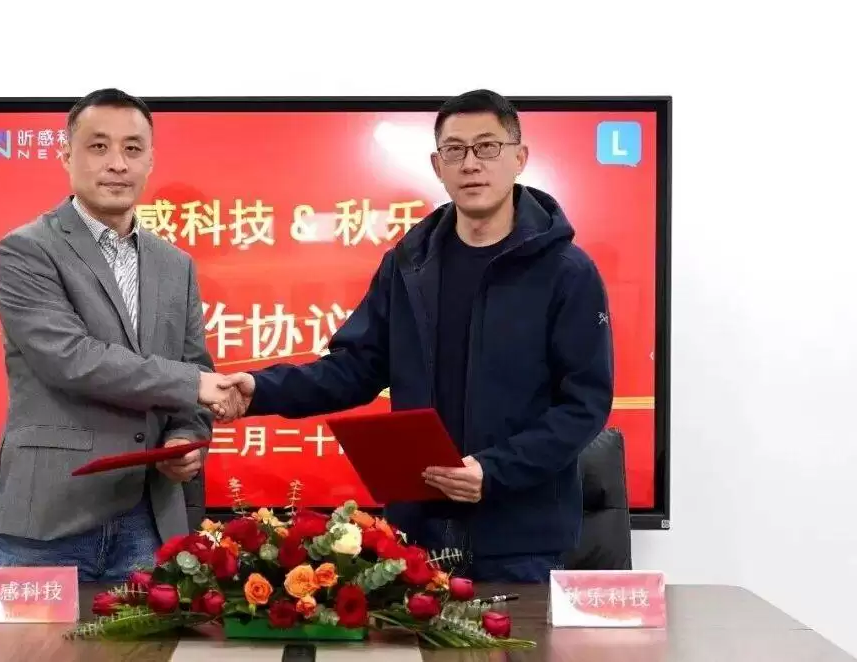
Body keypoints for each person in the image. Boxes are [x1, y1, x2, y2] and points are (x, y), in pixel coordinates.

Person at [216, 89, 615, 583]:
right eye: (455, 150)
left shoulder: (566, 272)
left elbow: (584, 405)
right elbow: (355, 368)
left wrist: (495, 470)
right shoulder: (410, 264)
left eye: (487, 147)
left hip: (521, 540)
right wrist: (261, 389)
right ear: (437, 165)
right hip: (416, 534)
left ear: (519, 158)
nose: (471, 163)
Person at [0, 88, 234, 581]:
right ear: (66, 155)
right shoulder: (25, 250)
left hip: (151, 516)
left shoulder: (175, 265)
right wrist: (194, 385)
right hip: (51, 517)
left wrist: (186, 437)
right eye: (98, 146)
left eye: (132, 149)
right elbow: (71, 358)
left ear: (150, 161)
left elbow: (194, 368)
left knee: (149, 635)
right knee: (34, 638)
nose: (117, 163)